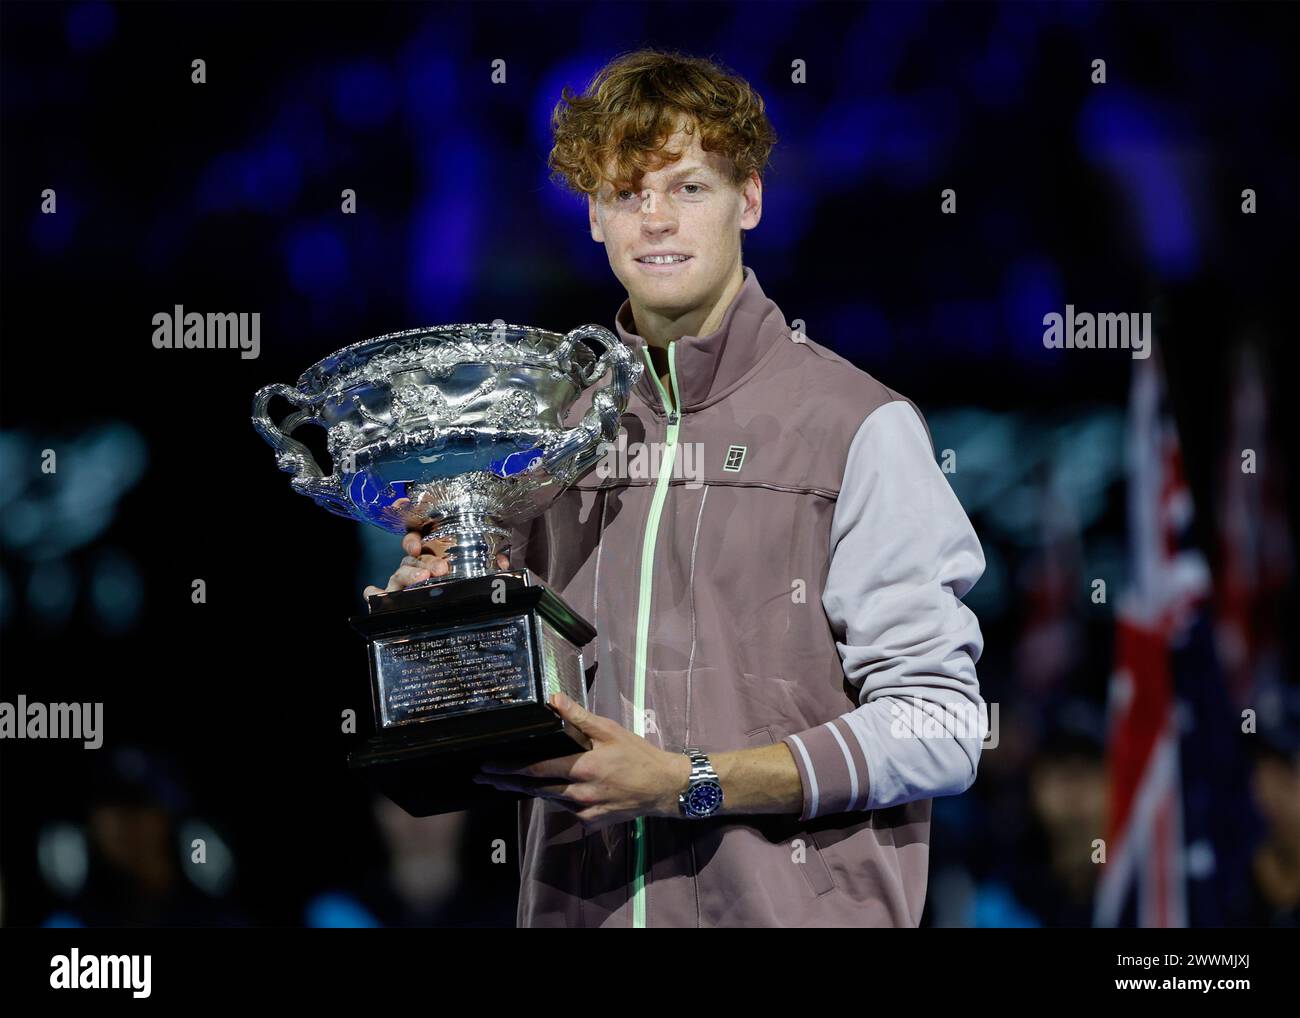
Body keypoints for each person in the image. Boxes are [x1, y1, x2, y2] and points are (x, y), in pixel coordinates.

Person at [366, 49, 987, 927]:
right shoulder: (546, 443)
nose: (656, 219)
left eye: (689, 188)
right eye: (627, 193)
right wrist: (443, 633)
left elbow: (943, 728)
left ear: (752, 200)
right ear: (593, 218)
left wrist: (686, 782)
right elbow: (504, 726)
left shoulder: (857, 426)